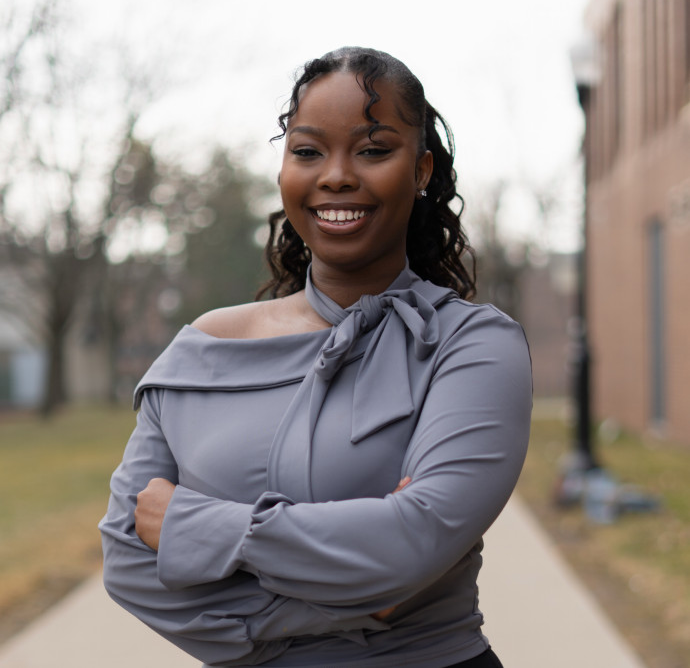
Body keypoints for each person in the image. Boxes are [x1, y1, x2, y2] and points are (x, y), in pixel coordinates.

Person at [99, 46, 532, 668]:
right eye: (307, 151)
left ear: (421, 169)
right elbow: (128, 561)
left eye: (373, 149)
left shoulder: (471, 346)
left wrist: (200, 530)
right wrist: (353, 602)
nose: (336, 175)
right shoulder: (203, 350)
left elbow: (414, 540)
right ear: (284, 170)